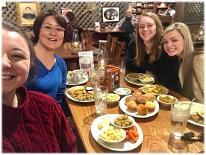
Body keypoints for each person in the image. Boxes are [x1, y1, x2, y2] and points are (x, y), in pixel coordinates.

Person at [2, 19, 77, 152]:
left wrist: (61, 118)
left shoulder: (48, 105)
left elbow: (60, 95)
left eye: (16, 55)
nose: (4, 63)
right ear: (38, 30)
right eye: (48, 27)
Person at [125, 12, 181, 92]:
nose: (145, 29)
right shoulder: (134, 44)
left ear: (157, 27)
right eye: (141, 26)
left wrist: (146, 74)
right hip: (144, 90)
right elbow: (129, 67)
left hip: (169, 93)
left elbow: (169, 78)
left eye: (150, 25)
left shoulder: (166, 45)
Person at [25, 10, 68, 108]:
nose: (54, 33)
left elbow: (59, 97)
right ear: (38, 30)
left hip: (52, 117)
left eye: (59, 29)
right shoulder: (26, 62)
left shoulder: (61, 64)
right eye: (48, 27)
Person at [163, 22, 204, 103]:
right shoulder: (181, 62)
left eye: (174, 40)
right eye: (165, 41)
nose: (168, 45)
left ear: (186, 40)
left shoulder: (199, 59)